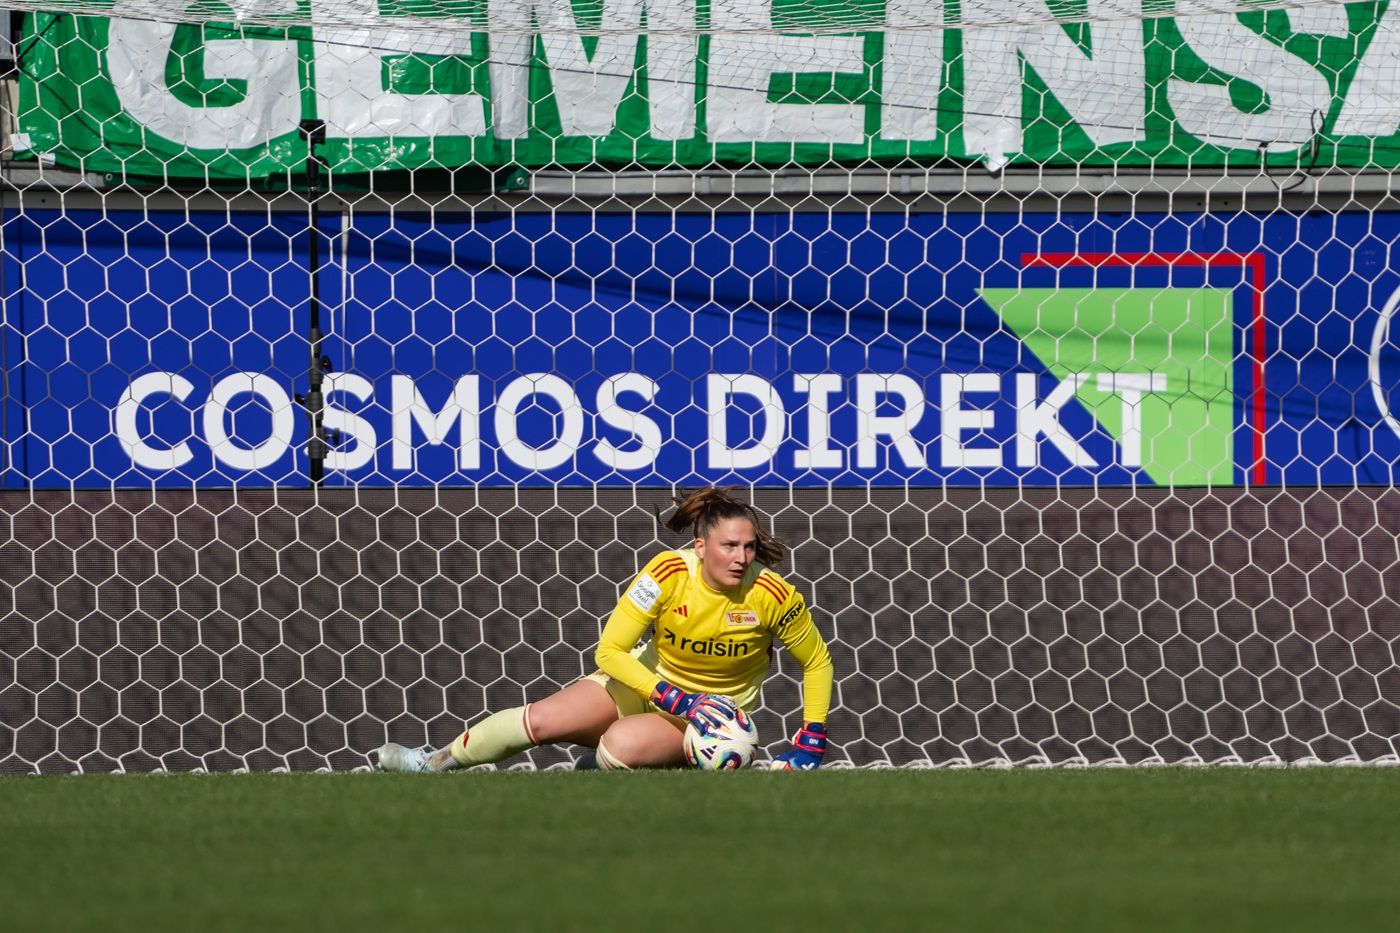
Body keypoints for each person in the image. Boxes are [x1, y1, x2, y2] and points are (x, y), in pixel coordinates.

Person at [376, 486, 834, 772]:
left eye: (749, 546)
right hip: (647, 686)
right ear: (700, 546)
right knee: (541, 720)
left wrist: (811, 738)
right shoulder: (667, 574)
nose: (741, 557)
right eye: (729, 545)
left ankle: (604, 766)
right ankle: (431, 762)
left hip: (710, 721)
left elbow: (816, 661)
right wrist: (673, 696)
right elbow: (610, 651)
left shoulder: (773, 595)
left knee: (618, 748)